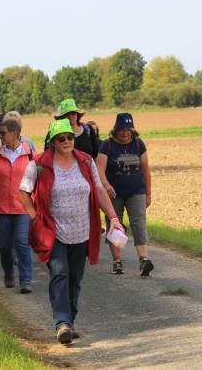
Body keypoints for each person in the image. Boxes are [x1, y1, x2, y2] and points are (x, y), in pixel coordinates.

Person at [19, 119, 124, 344]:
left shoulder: (86, 161)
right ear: (52, 142)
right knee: (60, 273)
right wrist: (35, 218)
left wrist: (114, 217)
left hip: (82, 231)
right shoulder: (38, 164)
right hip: (52, 231)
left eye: (69, 137)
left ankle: (71, 320)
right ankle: (62, 323)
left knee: (75, 279)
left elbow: (99, 190)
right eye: (61, 138)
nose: (66, 141)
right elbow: (23, 193)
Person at [96, 113, 154, 276]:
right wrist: (106, 186)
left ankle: (143, 260)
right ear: (116, 129)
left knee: (139, 223)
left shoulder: (138, 144)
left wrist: (148, 193)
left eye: (128, 129)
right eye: (122, 129)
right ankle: (117, 261)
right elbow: (99, 168)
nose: (125, 133)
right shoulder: (107, 145)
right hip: (114, 193)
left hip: (136, 191)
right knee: (116, 224)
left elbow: (145, 170)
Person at [0, 118, 36, 294]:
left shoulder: (30, 155)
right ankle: (8, 273)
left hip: (23, 207)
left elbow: (37, 180)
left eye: (4, 133)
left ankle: (26, 280)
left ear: (15, 133)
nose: (1, 136)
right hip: (3, 207)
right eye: (0, 133)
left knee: (22, 242)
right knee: (5, 245)